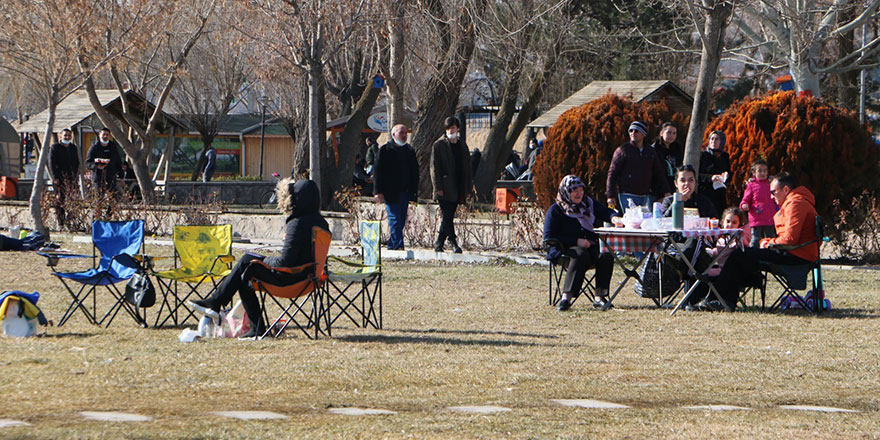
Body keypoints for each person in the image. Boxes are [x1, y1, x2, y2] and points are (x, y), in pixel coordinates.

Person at [190, 179, 329, 337]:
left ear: (296, 199)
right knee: (246, 268)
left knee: (246, 265)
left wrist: (262, 260)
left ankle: (221, 307)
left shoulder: (297, 224)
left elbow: (285, 262)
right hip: (309, 279)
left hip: (290, 280)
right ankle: (220, 306)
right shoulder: (321, 223)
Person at [708, 173, 818, 312]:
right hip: (796, 252)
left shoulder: (796, 203)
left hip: (796, 256)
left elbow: (790, 239)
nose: (771, 197)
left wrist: (767, 243)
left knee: (739, 255)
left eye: (773, 192)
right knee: (743, 255)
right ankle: (721, 299)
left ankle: (721, 300)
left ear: (785, 190)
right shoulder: (797, 201)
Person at [544, 175, 620, 311]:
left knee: (605, 254)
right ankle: (566, 298)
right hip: (564, 248)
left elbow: (605, 211)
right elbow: (549, 238)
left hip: (590, 245)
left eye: (581, 190)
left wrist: (614, 218)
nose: (579, 194)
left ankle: (600, 298)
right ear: (566, 192)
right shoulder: (555, 210)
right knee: (580, 254)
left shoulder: (588, 204)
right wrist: (576, 241)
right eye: (574, 191)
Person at [606, 121, 671, 211]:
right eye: (631, 131)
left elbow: (658, 173)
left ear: (643, 134)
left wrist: (665, 191)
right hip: (627, 194)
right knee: (632, 220)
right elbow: (612, 173)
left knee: (643, 221)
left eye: (636, 131)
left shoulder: (650, 152)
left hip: (645, 195)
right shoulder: (622, 150)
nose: (633, 133)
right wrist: (610, 195)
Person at [373, 124, 419, 250]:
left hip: (405, 191)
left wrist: (414, 192)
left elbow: (415, 172)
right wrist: (378, 191)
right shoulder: (385, 150)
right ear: (393, 135)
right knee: (394, 219)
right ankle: (398, 245)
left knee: (401, 218)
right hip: (390, 191)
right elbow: (377, 172)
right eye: (401, 133)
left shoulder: (409, 150)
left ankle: (392, 245)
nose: (404, 135)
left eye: (405, 133)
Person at [430, 117, 472, 253]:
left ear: (458, 129)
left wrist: (468, 188)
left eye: (453, 128)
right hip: (444, 187)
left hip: (458, 186)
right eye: (448, 128)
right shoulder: (439, 145)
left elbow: (467, 168)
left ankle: (439, 242)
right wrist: (438, 188)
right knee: (447, 215)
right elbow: (434, 168)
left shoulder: (462, 146)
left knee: (449, 216)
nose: (450, 131)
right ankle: (453, 242)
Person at [739, 159, 778, 248]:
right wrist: (744, 205)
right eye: (760, 171)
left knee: (770, 238)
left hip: (770, 217)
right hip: (757, 217)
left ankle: (771, 256)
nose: (763, 173)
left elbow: (776, 198)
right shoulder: (751, 185)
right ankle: (752, 256)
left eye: (765, 171)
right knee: (756, 239)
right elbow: (746, 199)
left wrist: (778, 208)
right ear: (754, 172)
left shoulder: (771, 183)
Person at [48, 128, 80, 227]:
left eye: (69, 136)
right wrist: (55, 177)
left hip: (72, 178)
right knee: (60, 200)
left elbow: (77, 162)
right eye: (65, 135)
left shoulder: (73, 148)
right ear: (61, 136)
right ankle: (60, 221)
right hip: (60, 178)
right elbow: (51, 163)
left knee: (73, 199)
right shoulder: (55, 148)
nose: (67, 137)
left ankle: (70, 221)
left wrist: (77, 174)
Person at [698, 130, 731, 216]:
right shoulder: (703, 155)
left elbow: (729, 173)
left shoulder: (724, 156)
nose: (713, 141)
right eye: (712, 139)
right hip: (706, 192)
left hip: (719, 193)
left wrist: (726, 176)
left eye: (717, 139)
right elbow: (697, 175)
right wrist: (711, 178)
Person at [85, 128, 123, 193]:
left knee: (112, 196)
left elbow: (118, 162)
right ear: (99, 135)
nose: (105, 136)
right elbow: (88, 163)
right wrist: (97, 167)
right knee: (99, 197)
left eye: (107, 135)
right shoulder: (94, 147)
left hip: (111, 177)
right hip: (98, 177)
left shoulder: (113, 146)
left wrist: (121, 176)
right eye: (103, 134)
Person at [650, 122, 683, 191]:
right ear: (661, 133)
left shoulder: (677, 149)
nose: (671, 136)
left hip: (673, 186)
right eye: (669, 132)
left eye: (674, 133)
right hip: (657, 188)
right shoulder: (654, 150)